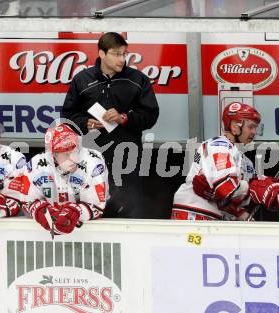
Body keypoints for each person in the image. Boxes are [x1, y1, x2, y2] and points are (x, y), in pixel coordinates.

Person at [62, 32, 159, 218]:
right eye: (116, 54)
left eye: (124, 54)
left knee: (129, 209)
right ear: (101, 54)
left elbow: (151, 115)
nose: (122, 59)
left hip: (127, 156)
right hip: (90, 158)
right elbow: (67, 115)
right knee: (92, 207)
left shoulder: (138, 79)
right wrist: (86, 122)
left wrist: (124, 118)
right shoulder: (81, 79)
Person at [171, 102, 261, 221]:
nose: (254, 132)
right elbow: (226, 189)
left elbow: (229, 200)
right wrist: (256, 188)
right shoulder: (219, 146)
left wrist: (240, 213)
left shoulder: (245, 161)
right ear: (234, 127)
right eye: (250, 127)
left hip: (213, 215)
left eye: (256, 127)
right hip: (194, 212)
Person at [20, 124, 108, 236]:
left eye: (74, 151)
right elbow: (26, 202)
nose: (72, 158)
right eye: (65, 154)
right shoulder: (35, 165)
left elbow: (98, 206)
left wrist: (75, 212)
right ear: (53, 155)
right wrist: (41, 211)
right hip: (46, 233)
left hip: (89, 231)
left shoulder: (94, 162)